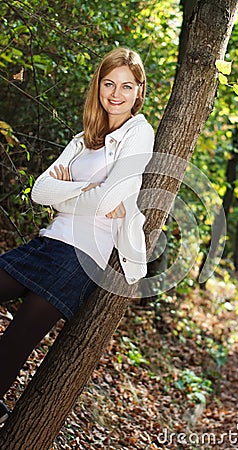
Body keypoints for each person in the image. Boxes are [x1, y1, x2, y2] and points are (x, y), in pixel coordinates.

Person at [0, 47, 154, 423]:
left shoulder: (140, 133)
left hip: (80, 257)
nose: (116, 94)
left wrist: (71, 191)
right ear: (98, 87)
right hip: (48, 242)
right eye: (108, 84)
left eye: (126, 86)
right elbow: (39, 191)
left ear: (139, 91)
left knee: (14, 346)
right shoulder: (82, 139)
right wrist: (88, 193)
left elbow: (109, 201)